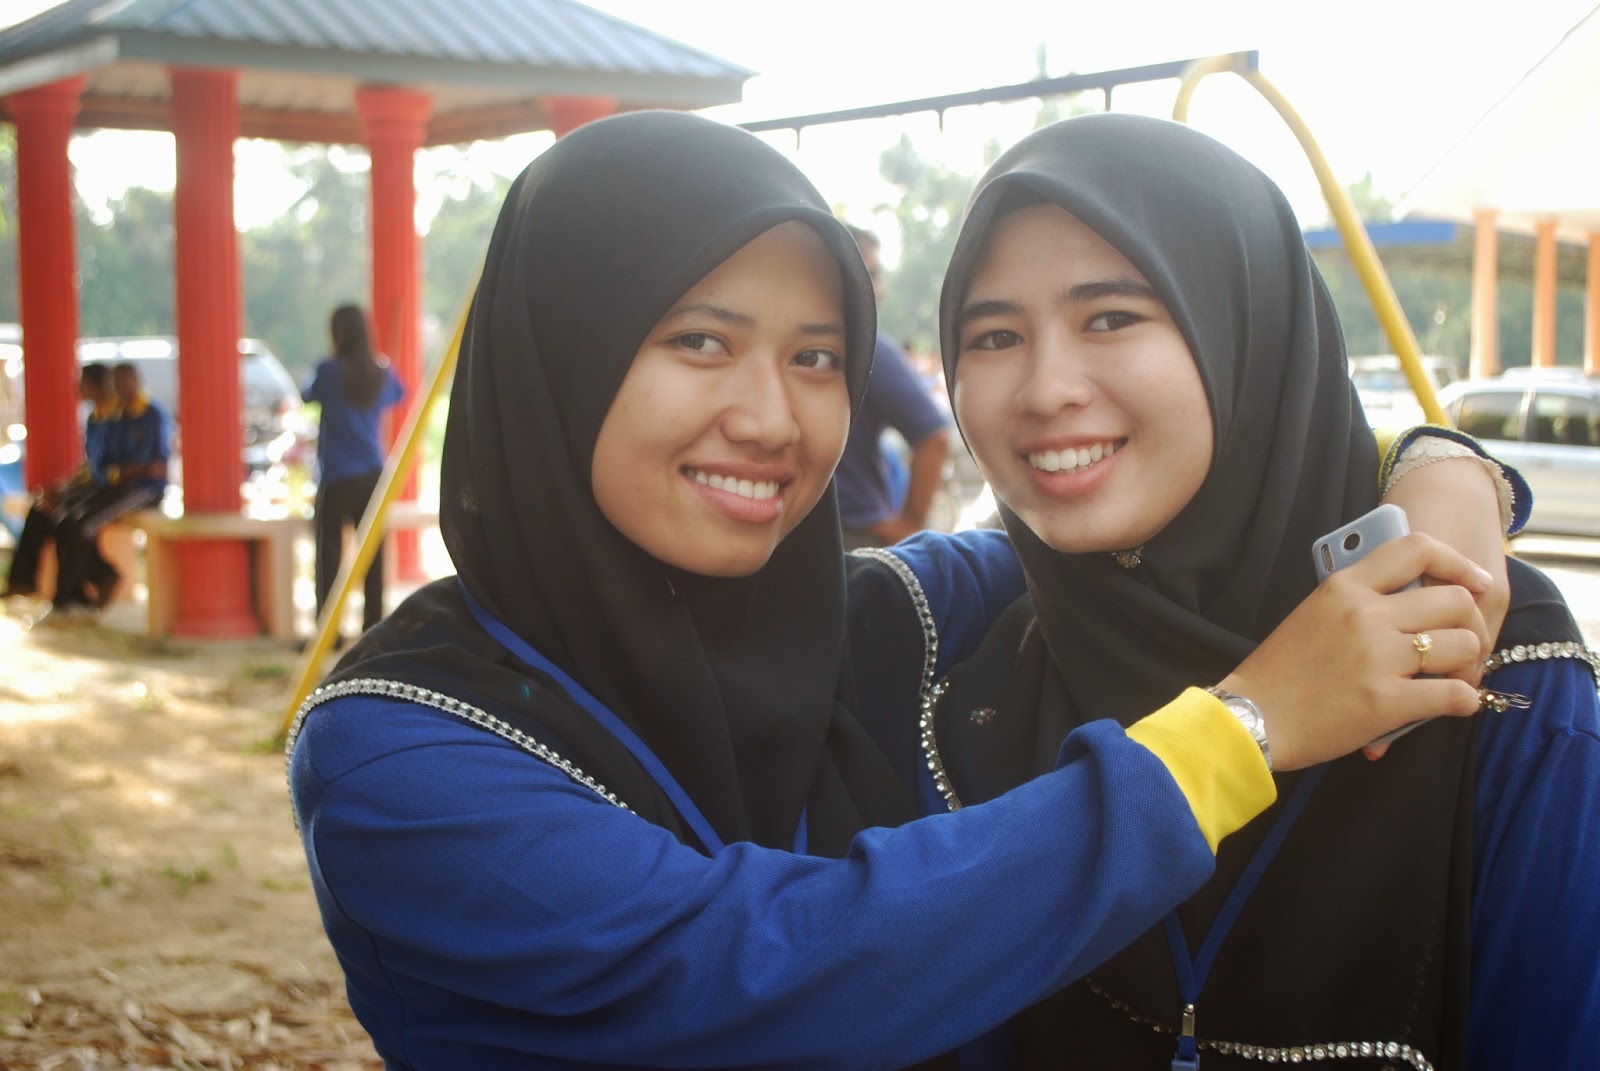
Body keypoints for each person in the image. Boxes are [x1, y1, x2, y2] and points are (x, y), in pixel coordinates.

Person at [287, 111, 1504, 1070]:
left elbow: (1178, 517)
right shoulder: (399, 751)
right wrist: (1240, 732)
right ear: (561, 352)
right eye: (700, 341)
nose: (771, 418)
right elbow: (767, 974)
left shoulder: (863, 624)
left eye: (818, 357)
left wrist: (1446, 472)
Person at [921, 112, 1600, 1069]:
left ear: (1250, 330)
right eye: (994, 335)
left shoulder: (1480, 643)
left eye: (1110, 318)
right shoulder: (962, 663)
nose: (1045, 388)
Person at [836, 226, 952, 549]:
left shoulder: (867, 350)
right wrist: (909, 524)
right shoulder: (866, 348)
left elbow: (934, 437)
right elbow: (936, 438)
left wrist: (908, 525)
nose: (882, 291)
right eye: (871, 275)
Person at [300, 304, 404, 642]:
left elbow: (306, 395)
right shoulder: (380, 372)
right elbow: (399, 394)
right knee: (372, 556)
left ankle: (328, 633)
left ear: (337, 333)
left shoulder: (328, 371)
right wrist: (383, 366)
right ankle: (373, 631)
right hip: (373, 477)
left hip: (336, 477)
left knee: (328, 557)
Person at [47, 361, 170, 613]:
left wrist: (126, 470)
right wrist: (122, 471)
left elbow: (153, 465)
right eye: (117, 383)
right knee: (65, 520)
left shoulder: (152, 413)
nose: (121, 388)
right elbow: (105, 464)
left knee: (84, 525)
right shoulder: (115, 416)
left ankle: (65, 600)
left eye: (126, 381)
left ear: (136, 381)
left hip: (145, 489)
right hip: (116, 485)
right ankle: (77, 594)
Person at [2, 362, 117, 601]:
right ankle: (22, 581)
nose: (77, 389)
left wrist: (69, 493)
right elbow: (88, 467)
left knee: (68, 521)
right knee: (40, 509)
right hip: (90, 486)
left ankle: (73, 593)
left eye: (82, 383)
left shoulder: (118, 417)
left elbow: (110, 471)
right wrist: (61, 490)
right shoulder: (94, 418)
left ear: (98, 385)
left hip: (110, 489)